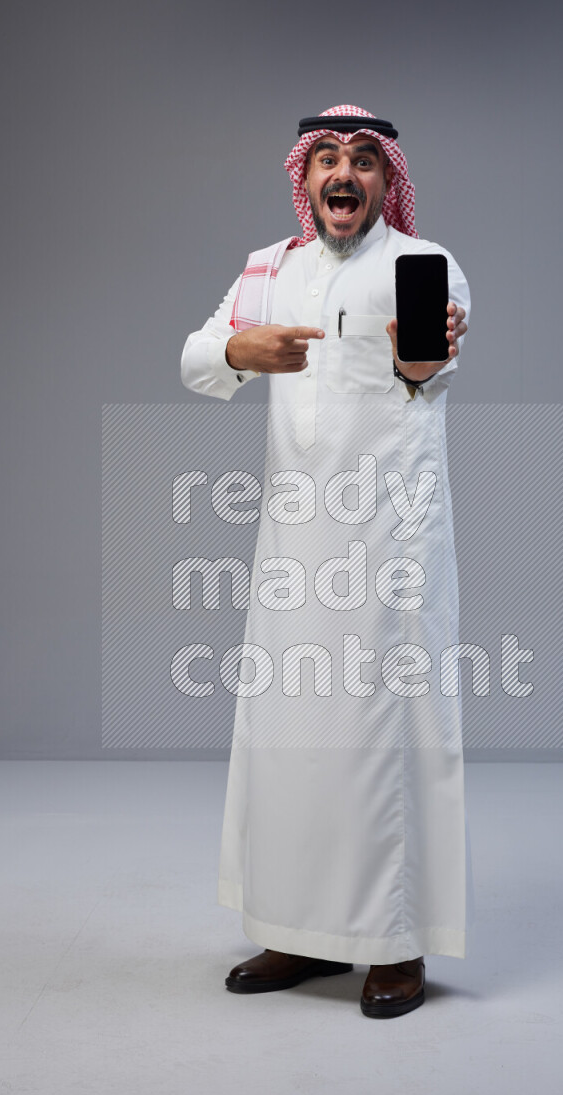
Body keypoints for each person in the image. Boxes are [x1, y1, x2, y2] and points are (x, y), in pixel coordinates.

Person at [181, 105, 471, 1018]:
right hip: (293, 546)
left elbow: (435, 366)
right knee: (292, 735)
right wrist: (239, 347)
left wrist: (422, 358)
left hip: (390, 546)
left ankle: (395, 943)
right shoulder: (271, 270)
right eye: (327, 161)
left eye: (363, 162)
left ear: (388, 181)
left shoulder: (423, 266)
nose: (344, 175)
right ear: (304, 179)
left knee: (387, 735)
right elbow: (195, 357)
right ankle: (298, 932)